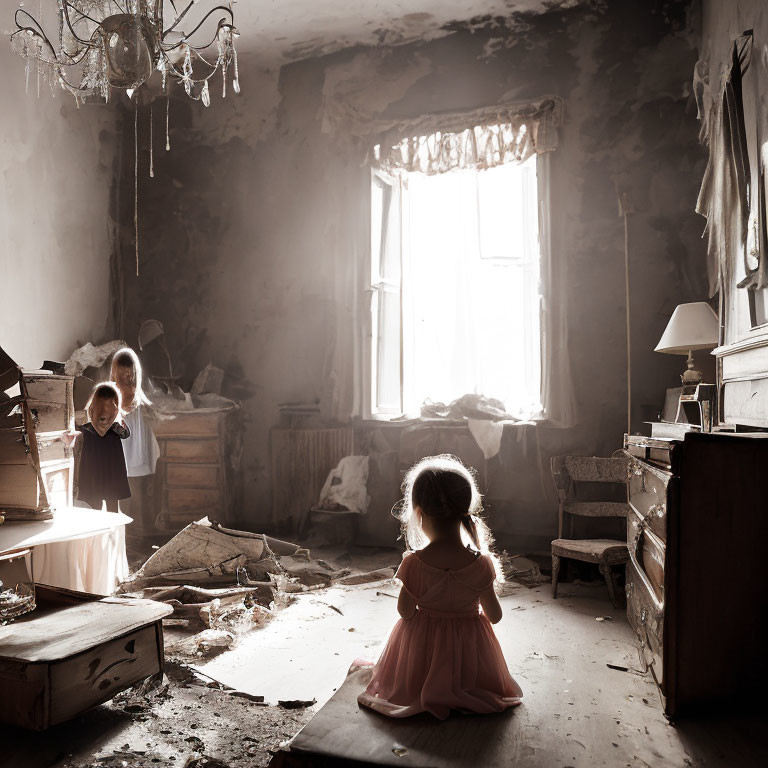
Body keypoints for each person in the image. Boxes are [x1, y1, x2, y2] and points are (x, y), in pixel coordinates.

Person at [357, 454, 523, 719]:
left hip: (422, 653)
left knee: (408, 637)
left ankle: (422, 685)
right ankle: (463, 686)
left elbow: (405, 612)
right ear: (465, 509)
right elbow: (495, 616)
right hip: (469, 653)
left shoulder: (414, 562)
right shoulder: (481, 564)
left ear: (419, 512)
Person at [110, 347, 159, 529]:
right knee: (123, 497)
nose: (126, 378)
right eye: (121, 375)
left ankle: (139, 532)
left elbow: (148, 409)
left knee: (136, 494)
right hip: (122, 450)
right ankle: (126, 536)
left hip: (136, 451)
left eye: (129, 375)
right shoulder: (112, 392)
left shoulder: (138, 394)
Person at [74, 382, 131, 512]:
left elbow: (125, 434)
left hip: (100, 464)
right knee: (100, 502)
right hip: (104, 464)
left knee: (103, 501)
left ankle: (108, 530)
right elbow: (125, 434)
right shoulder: (111, 428)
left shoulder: (111, 427)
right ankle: (105, 529)